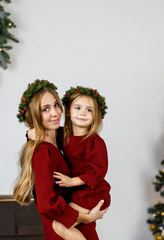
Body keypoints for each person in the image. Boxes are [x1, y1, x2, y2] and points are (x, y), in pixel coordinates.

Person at [13, 79, 107, 240]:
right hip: (64, 231)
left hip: (78, 228)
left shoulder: (60, 139)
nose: (55, 113)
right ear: (35, 114)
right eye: (45, 109)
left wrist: (29, 134)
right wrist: (85, 217)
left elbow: (80, 139)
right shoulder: (43, 152)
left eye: (56, 105)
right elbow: (46, 204)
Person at [51, 86, 111, 239]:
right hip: (78, 193)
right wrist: (30, 133)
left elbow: (97, 172)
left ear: (96, 116)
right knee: (84, 231)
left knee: (59, 225)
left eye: (89, 110)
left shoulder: (95, 142)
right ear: (69, 111)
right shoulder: (64, 135)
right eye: (78, 107)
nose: (83, 112)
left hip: (92, 193)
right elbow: (45, 133)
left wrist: (71, 181)